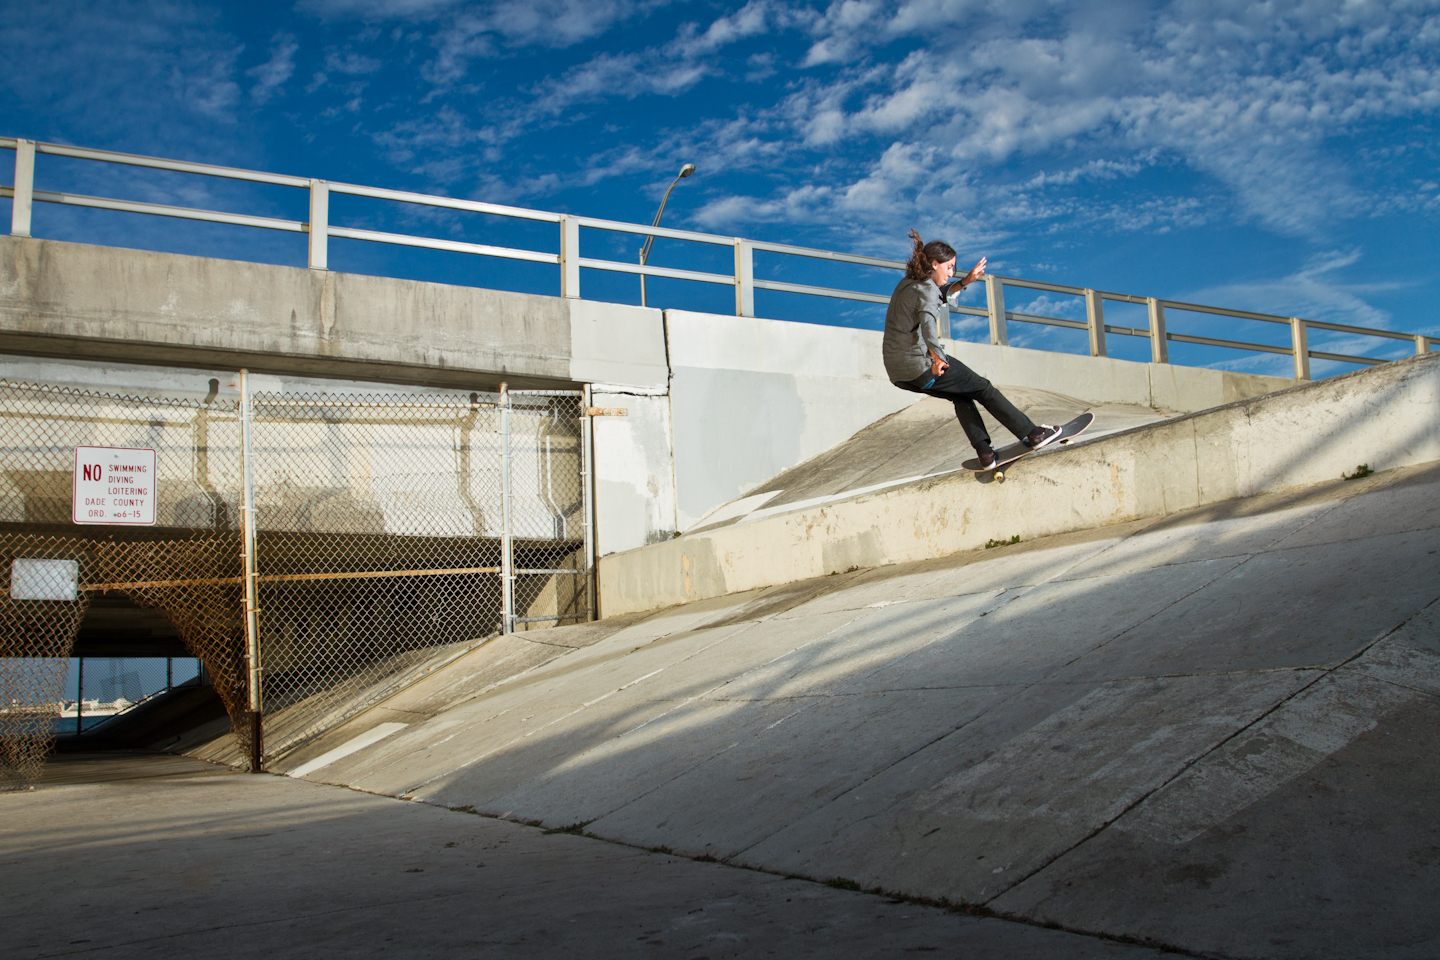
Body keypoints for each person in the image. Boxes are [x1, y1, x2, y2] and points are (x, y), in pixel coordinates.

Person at [883, 230, 1061, 469]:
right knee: (983, 388)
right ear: (935, 263)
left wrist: (965, 282)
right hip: (922, 366)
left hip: (899, 374)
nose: (951, 272)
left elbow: (939, 294)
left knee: (962, 396)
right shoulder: (926, 291)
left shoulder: (909, 284)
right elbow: (928, 324)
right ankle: (1033, 434)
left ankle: (985, 453)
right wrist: (937, 358)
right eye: (949, 267)